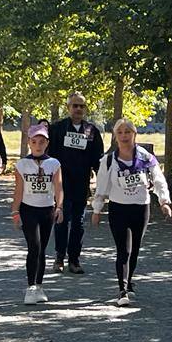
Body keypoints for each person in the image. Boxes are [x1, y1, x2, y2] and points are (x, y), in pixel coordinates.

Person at [90, 118, 172, 306]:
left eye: (128, 132)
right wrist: (97, 208)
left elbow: (158, 179)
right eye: (120, 132)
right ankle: (122, 290)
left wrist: (164, 201)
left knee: (134, 249)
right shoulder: (109, 159)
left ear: (134, 134)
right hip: (119, 208)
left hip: (141, 207)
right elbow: (102, 185)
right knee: (123, 250)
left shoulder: (145, 157)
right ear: (115, 136)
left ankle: (129, 282)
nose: (124, 136)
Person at [46, 92, 104, 274]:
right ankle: (59, 257)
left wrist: (103, 182)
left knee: (78, 224)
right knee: (61, 222)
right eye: (75, 105)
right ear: (68, 107)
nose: (78, 109)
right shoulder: (57, 129)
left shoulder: (91, 131)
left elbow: (98, 159)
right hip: (61, 186)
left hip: (81, 186)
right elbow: (49, 157)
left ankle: (74, 260)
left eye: (82, 106)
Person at [12, 122, 63, 305]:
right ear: (29, 143)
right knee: (33, 245)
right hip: (28, 209)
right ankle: (30, 286)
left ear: (47, 143)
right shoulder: (22, 164)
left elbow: (58, 187)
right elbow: (18, 190)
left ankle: (39, 285)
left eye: (42, 141)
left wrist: (59, 207)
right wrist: (15, 212)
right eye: (35, 141)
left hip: (47, 209)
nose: (38, 145)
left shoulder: (54, 164)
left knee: (42, 248)